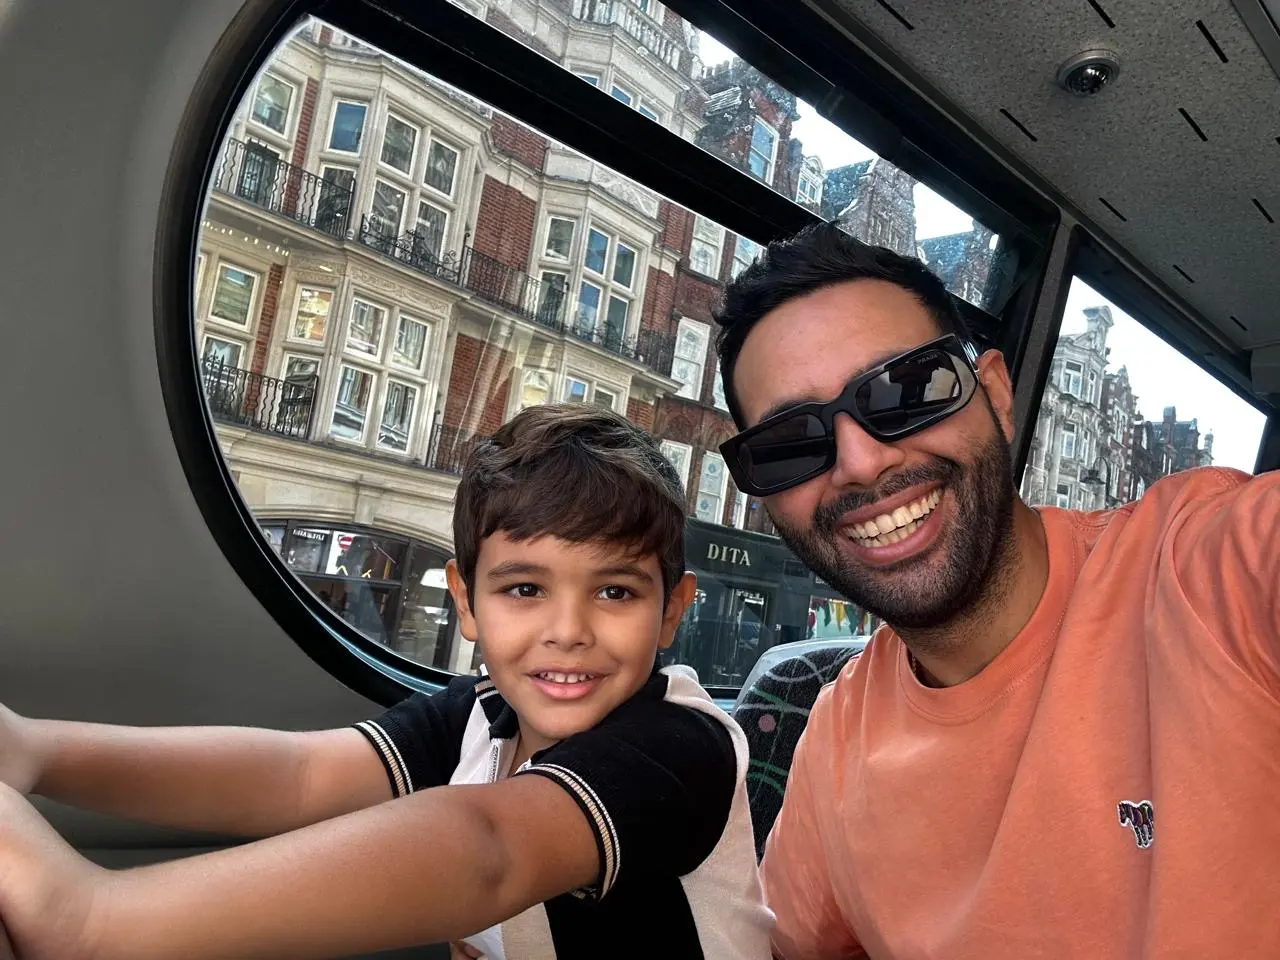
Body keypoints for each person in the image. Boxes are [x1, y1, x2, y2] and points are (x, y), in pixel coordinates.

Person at [0, 405, 772, 960]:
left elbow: (491, 849)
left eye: (615, 592)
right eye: (524, 589)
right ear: (466, 602)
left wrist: (94, 918)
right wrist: (35, 750)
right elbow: (298, 776)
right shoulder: (479, 718)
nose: (568, 629)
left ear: (672, 611)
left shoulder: (682, 747)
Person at [713, 221, 1280, 959]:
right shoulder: (835, 735)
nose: (860, 462)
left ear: (998, 395)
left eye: (907, 390)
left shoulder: (1207, 572)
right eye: (791, 445)